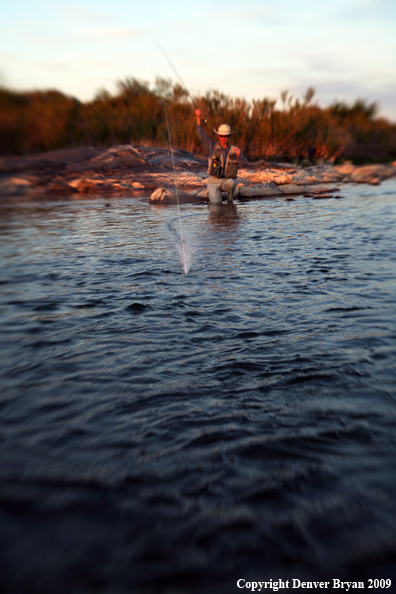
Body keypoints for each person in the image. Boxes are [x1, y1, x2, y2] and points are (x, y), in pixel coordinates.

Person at [195, 109, 248, 204]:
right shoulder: (211, 146)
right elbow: (200, 134)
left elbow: (245, 164)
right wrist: (199, 117)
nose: (223, 138)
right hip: (214, 182)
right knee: (216, 206)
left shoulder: (234, 150)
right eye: (221, 136)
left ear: (229, 136)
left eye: (226, 136)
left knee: (232, 183)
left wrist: (239, 156)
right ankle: (212, 195)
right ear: (218, 136)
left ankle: (230, 203)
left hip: (227, 181)